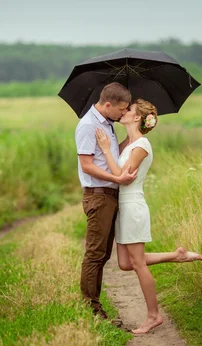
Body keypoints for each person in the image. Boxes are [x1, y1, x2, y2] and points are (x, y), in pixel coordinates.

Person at [95, 98, 202, 334]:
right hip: (123, 208)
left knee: (137, 263)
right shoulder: (127, 143)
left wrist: (105, 150)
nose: (123, 111)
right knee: (125, 263)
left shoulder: (142, 146)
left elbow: (122, 176)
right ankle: (177, 256)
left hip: (133, 206)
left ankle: (153, 316)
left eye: (129, 109)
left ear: (137, 118)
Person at [75, 82, 136, 320]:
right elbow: (87, 165)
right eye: (121, 109)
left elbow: (109, 155)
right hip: (98, 195)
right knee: (95, 254)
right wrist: (116, 178)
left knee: (103, 254)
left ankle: (94, 305)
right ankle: (90, 308)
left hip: (109, 194)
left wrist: (133, 137)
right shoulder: (88, 125)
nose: (123, 113)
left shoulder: (107, 124)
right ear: (108, 104)